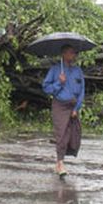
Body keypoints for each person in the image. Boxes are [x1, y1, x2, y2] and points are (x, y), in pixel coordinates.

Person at [42, 44, 85, 177]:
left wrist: (77, 108)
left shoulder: (78, 71)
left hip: (72, 105)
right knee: (61, 134)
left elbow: (82, 90)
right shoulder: (55, 70)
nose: (74, 56)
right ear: (64, 54)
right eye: (71, 53)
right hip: (60, 105)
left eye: (75, 53)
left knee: (73, 135)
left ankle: (61, 161)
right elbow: (46, 88)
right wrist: (59, 83)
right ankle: (60, 163)